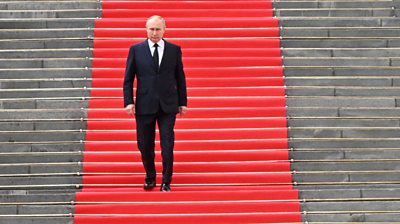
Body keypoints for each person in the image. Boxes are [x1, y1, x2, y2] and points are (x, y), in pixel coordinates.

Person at [123, 15, 187, 192]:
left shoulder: (174, 50)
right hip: (144, 104)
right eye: (151, 29)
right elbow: (128, 78)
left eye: (158, 29)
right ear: (146, 29)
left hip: (168, 104)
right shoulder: (136, 49)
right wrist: (128, 102)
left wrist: (183, 102)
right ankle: (150, 176)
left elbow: (180, 78)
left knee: (168, 143)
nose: (154, 33)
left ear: (164, 30)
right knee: (144, 144)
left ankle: (166, 180)